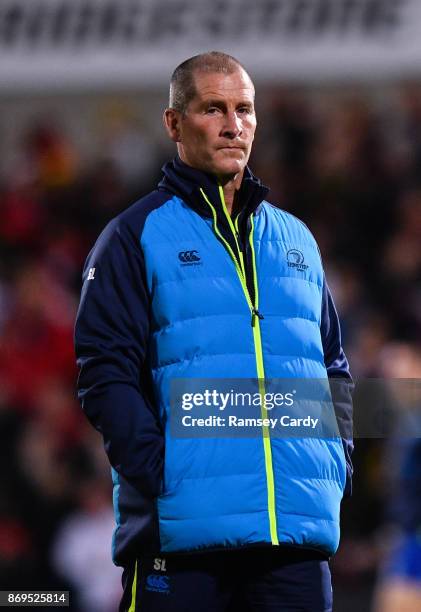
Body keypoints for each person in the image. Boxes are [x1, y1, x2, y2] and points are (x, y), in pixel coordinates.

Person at [75, 51, 353, 612]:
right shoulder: (133, 236)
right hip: (182, 542)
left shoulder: (297, 240)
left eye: (245, 109)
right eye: (213, 109)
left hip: (293, 540)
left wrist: (335, 461)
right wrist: (164, 472)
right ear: (174, 124)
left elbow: (333, 368)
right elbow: (105, 373)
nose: (233, 125)